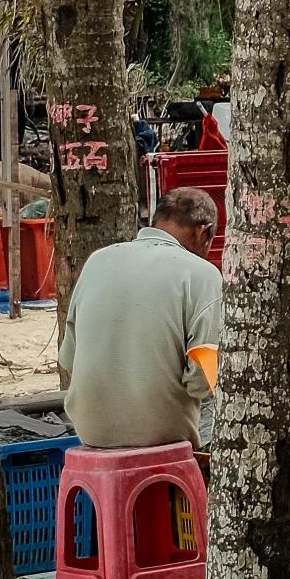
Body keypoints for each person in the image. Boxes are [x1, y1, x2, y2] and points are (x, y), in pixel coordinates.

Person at [60, 188, 223, 450]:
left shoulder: (97, 261)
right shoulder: (204, 274)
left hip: (90, 432)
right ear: (203, 232)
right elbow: (201, 381)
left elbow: (68, 358)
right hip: (163, 434)